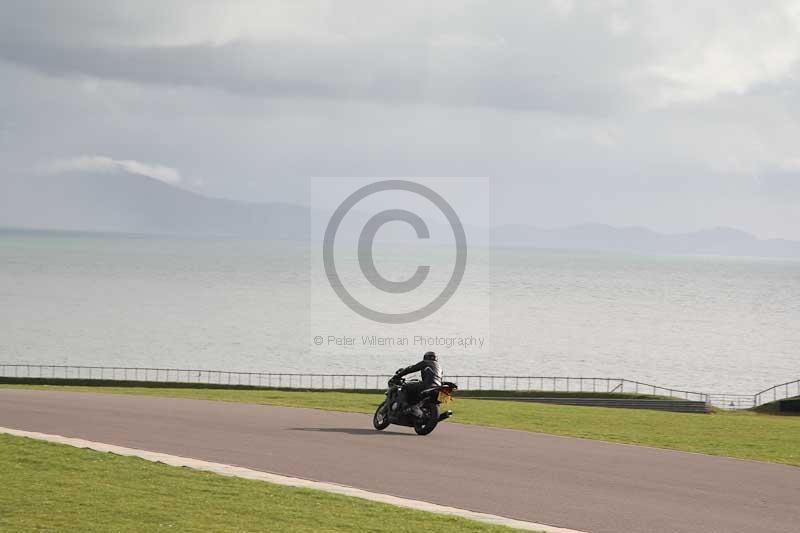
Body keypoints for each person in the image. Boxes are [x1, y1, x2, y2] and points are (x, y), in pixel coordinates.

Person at [393, 351, 442, 417]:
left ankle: (405, 406)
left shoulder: (426, 362)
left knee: (404, 387)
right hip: (437, 386)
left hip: (427, 385)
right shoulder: (439, 367)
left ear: (426, 357)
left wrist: (398, 375)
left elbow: (411, 369)